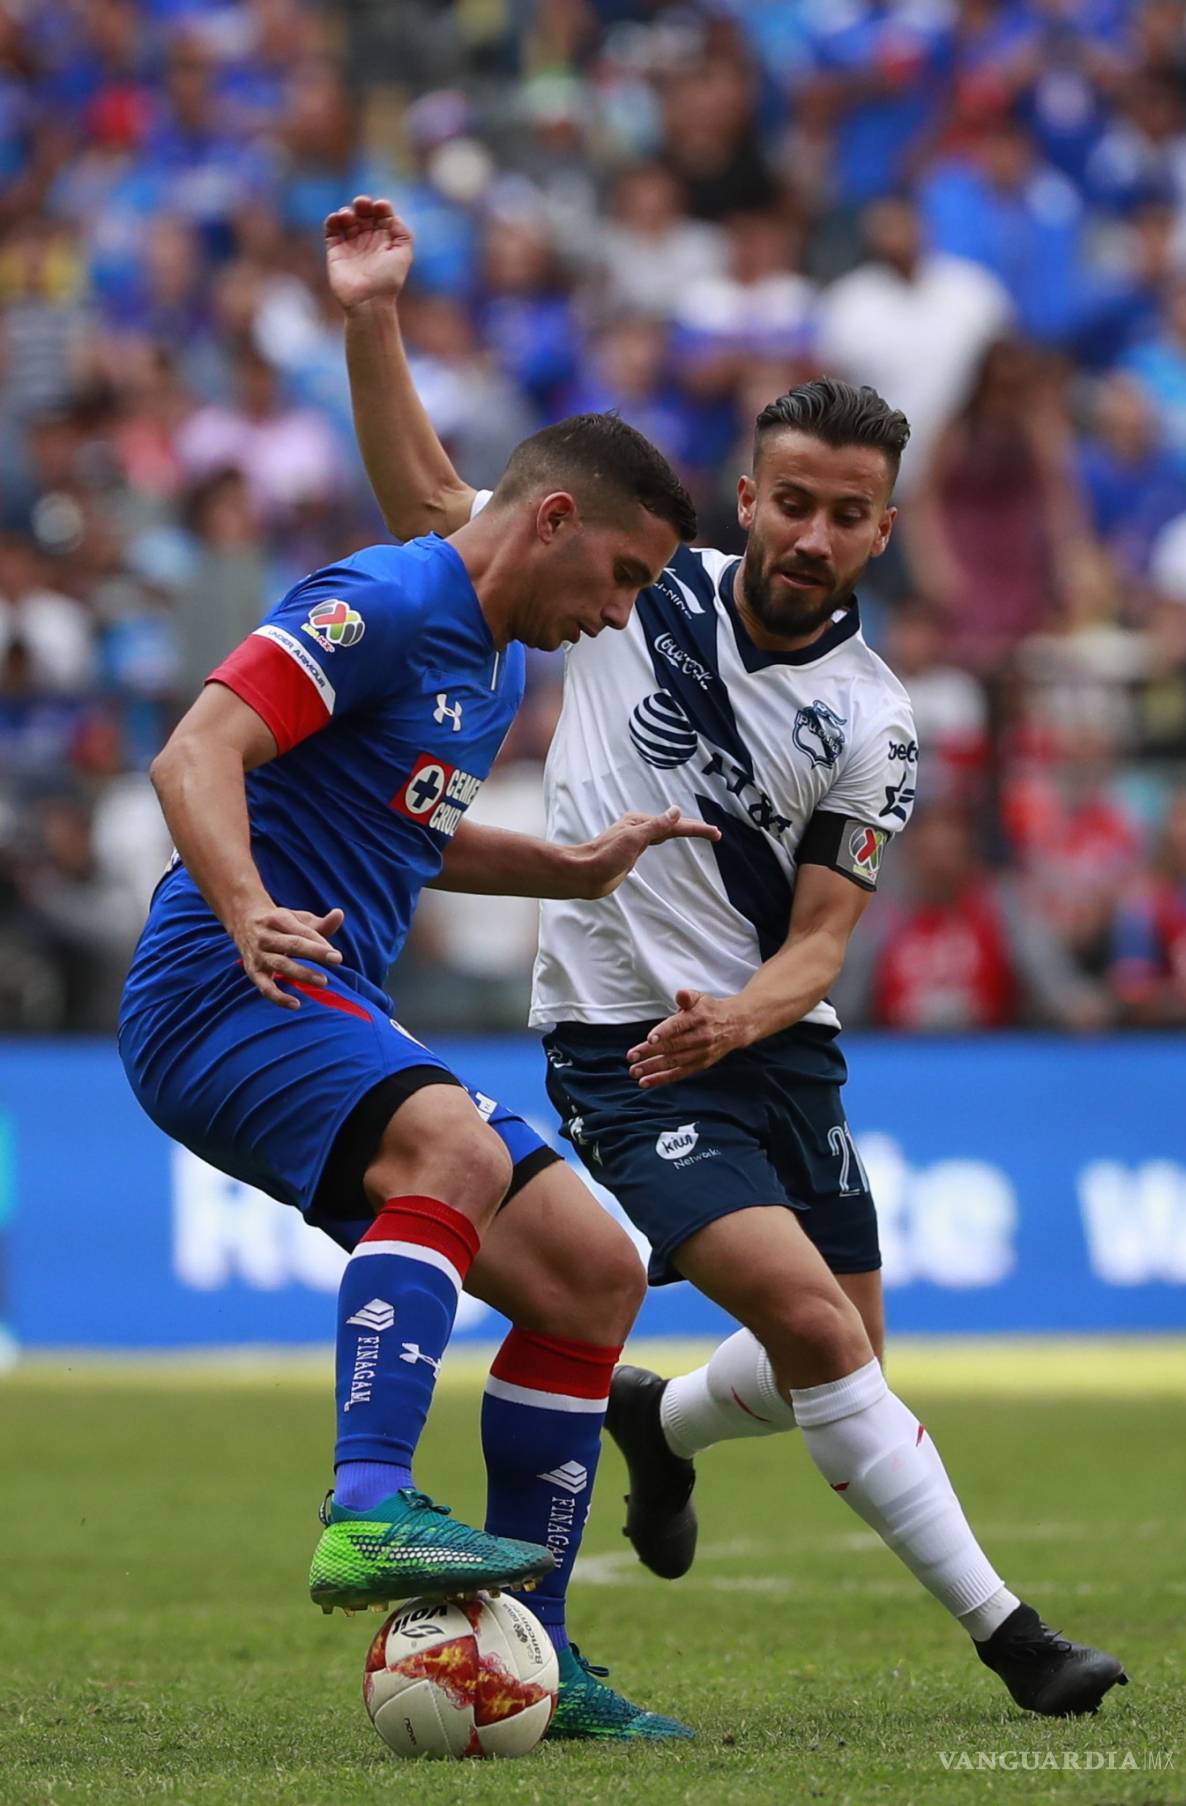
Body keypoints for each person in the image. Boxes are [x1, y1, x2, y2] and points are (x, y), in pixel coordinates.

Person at [333, 193, 1129, 1719]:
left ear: (885, 529)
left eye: (850, 517)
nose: (815, 537)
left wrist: (749, 1014)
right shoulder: (637, 593)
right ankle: (1014, 1638)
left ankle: (657, 1424)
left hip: (773, 1045)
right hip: (628, 1049)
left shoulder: (879, 721)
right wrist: (374, 317)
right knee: (828, 1337)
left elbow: (825, 934)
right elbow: (435, 496)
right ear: (748, 496)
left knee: (837, 1353)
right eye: (793, 503)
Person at [118, 399, 713, 1740]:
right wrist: (243, 904)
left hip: (321, 994)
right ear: (554, 520)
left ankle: (537, 1658)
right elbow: (195, 748)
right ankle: (368, 1502)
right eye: (625, 577)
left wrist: (559, 868)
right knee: (458, 1147)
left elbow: (403, 827)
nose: (622, 615)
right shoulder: (383, 599)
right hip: (225, 985)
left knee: (594, 1269)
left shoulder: (491, 661)